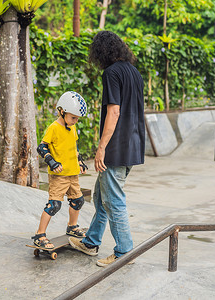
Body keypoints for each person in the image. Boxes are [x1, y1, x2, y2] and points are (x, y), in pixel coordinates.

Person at [69, 31, 145, 267]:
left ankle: (124, 252)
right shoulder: (135, 73)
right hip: (132, 146)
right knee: (102, 198)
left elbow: (114, 111)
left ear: (101, 52)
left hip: (117, 148)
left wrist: (101, 148)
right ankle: (91, 242)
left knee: (114, 201)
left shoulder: (111, 73)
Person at [32, 91, 89, 249]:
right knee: (54, 205)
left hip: (73, 174)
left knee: (78, 201)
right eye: (73, 118)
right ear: (62, 111)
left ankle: (72, 227)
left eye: (77, 118)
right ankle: (40, 234)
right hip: (59, 176)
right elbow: (42, 147)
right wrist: (52, 162)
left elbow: (73, 147)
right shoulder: (54, 128)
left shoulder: (72, 127)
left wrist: (80, 162)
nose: (75, 121)